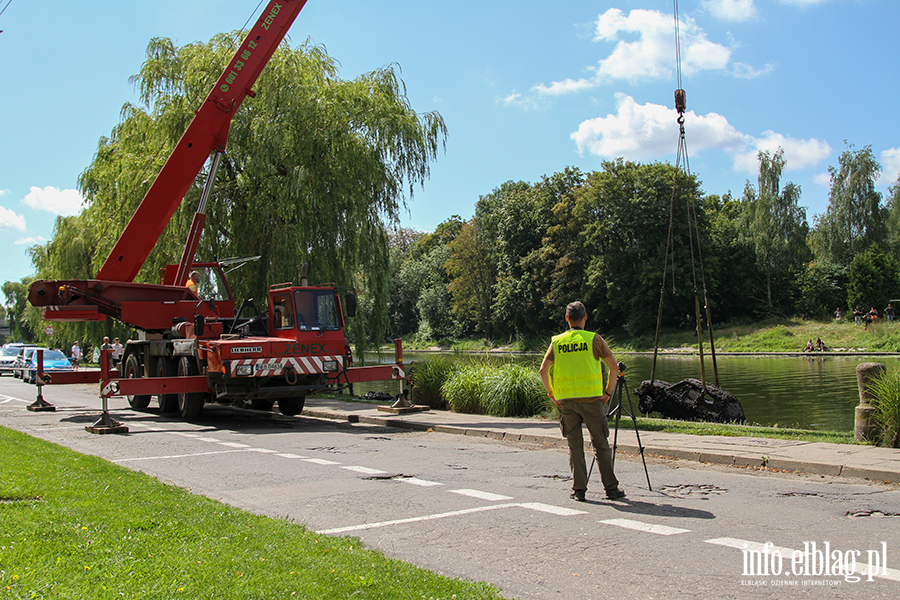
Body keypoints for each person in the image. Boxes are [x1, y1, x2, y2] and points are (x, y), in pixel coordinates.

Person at [539, 301, 625, 502]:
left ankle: (579, 490)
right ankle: (611, 489)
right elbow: (613, 367)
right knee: (601, 444)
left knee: (574, 445)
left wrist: (552, 395)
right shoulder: (594, 339)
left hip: (567, 402)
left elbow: (543, 370)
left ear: (567, 319)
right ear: (585, 317)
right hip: (593, 400)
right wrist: (608, 392)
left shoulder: (558, 342)